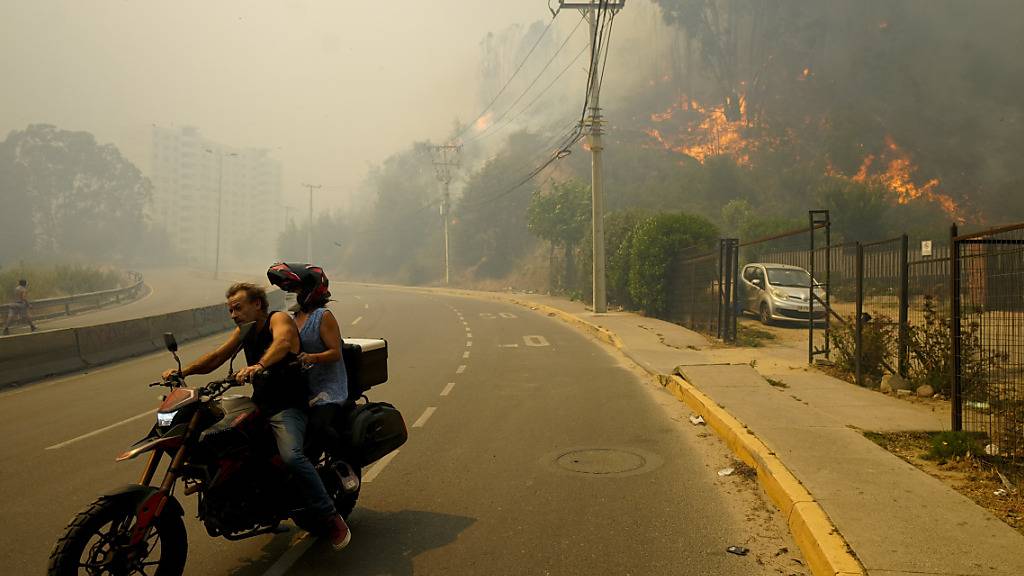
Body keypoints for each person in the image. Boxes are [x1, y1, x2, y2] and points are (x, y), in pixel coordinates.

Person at [160, 282, 351, 550]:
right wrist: (184, 373)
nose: (233, 314)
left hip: (288, 407)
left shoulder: (278, 319)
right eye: (230, 310)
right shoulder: (245, 331)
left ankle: (330, 516)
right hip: (259, 404)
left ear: (257, 304)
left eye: (238, 308)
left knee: (292, 456)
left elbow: (283, 342)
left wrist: (259, 365)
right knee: (228, 444)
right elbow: (217, 356)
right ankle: (260, 504)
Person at [266, 263, 350, 462]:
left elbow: (335, 353)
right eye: (286, 290)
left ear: (310, 291)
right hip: (304, 388)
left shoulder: (323, 316)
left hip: (328, 389)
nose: (288, 294)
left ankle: (343, 461)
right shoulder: (291, 320)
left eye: (293, 289)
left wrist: (312, 357)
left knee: (317, 430)